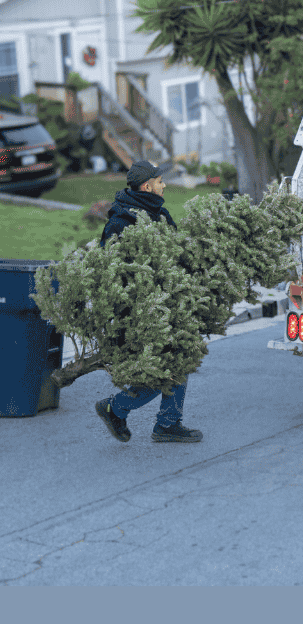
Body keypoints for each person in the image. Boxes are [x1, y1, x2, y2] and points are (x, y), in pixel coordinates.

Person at [94, 160, 203, 445]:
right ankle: (115, 407)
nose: (164, 185)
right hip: (140, 312)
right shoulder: (120, 222)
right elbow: (111, 271)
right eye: (160, 181)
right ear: (147, 186)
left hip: (168, 303)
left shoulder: (161, 215)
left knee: (180, 357)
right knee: (164, 368)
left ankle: (167, 423)